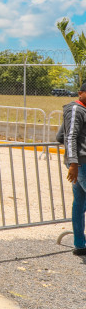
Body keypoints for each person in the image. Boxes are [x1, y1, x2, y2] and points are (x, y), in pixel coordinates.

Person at [56, 82, 86, 255]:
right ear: (80, 93)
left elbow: (60, 136)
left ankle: (80, 245)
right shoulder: (76, 109)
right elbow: (70, 137)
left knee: (80, 203)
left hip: (80, 163)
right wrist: (74, 162)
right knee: (79, 204)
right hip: (81, 164)